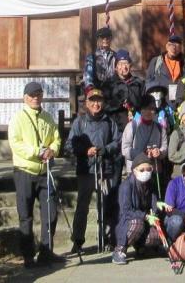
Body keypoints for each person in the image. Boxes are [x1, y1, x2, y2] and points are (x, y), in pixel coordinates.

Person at [7, 81, 63, 267]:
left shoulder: (48, 117)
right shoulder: (17, 118)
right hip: (24, 171)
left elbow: (56, 138)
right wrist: (37, 152)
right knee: (25, 215)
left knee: (51, 213)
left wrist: (53, 150)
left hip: (45, 172)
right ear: (25, 98)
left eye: (38, 94)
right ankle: (28, 256)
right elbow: (16, 144)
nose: (35, 98)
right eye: (32, 95)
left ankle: (46, 251)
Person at [66, 87, 121, 254]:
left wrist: (105, 149)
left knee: (107, 204)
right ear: (87, 103)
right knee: (82, 206)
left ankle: (108, 239)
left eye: (99, 100)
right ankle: (77, 241)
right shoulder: (80, 122)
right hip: (86, 169)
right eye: (92, 101)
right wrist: (85, 150)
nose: (96, 104)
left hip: (106, 169)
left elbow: (118, 142)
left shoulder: (109, 122)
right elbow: (70, 145)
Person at [111, 153, 163, 265]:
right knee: (137, 223)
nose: (146, 172)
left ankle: (140, 247)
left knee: (157, 236)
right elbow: (126, 211)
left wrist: (155, 214)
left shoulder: (151, 184)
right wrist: (146, 216)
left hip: (145, 222)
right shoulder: (126, 186)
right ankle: (119, 250)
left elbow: (154, 204)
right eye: (142, 170)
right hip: (126, 223)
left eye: (148, 169)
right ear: (134, 171)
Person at [121, 95, 168, 178]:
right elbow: (125, 149)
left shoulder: (160, 128)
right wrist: (143, 154)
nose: (148, 112)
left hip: (154, 169)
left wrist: (159, 152)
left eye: (151, 109)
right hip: (135, 170)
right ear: (140, 110)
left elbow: (164, 147)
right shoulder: (132, 126)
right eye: (145, 108)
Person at [103, 49, 145, 130]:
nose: (124, 67)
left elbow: (144, 104)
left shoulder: (138, 83)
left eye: (126, 63)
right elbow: (105, 107)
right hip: (116, 128)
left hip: (136, 125)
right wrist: (118, 101)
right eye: (121, 64)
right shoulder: (109, 84)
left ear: (130, 65)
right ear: (116, 67)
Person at [146, 34, 185, 106]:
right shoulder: (156, 61)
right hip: (161, 105)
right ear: (166, 47)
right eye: (171, 45)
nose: (174, 48)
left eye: (177, 46)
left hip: (180, 104)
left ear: (180, 49)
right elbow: (148, 82)